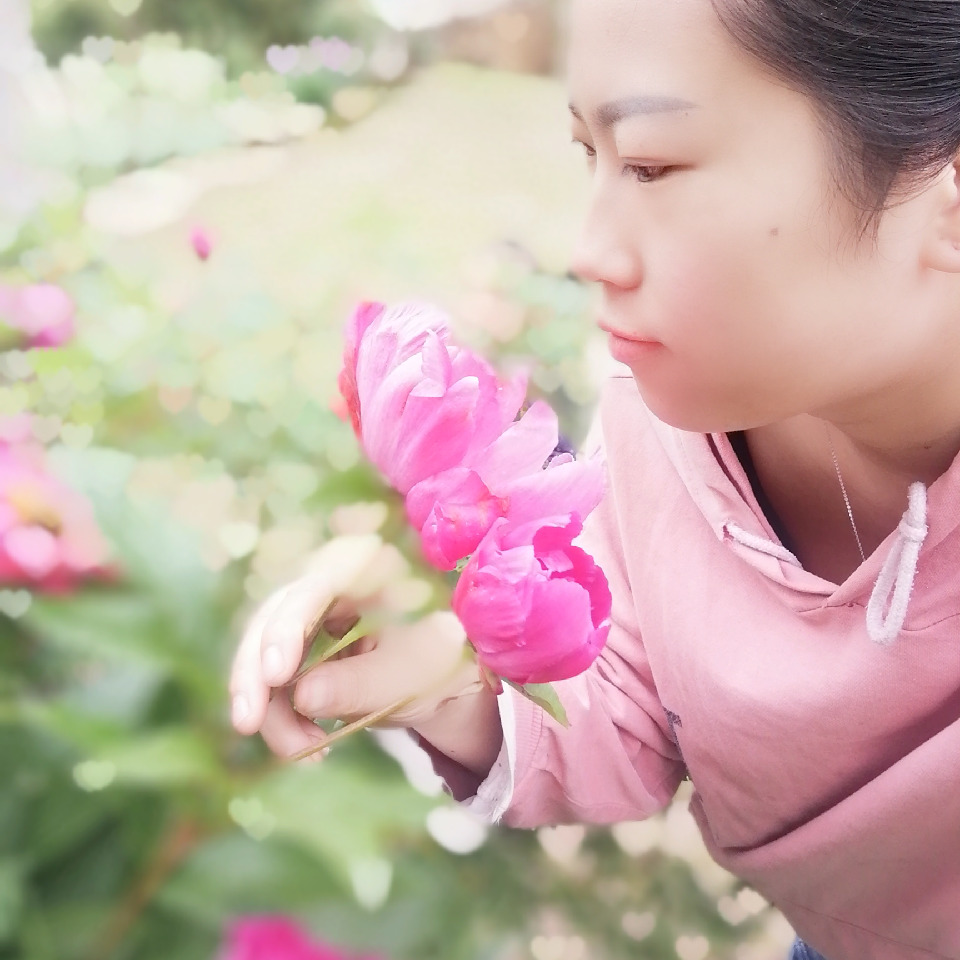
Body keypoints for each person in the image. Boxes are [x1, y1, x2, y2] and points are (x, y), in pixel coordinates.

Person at [230, 1, 960, 957]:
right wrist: (447, 671)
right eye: (592, 156)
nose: (587, 252)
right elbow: (632, 689)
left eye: (652, 164)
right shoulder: (668, 419)